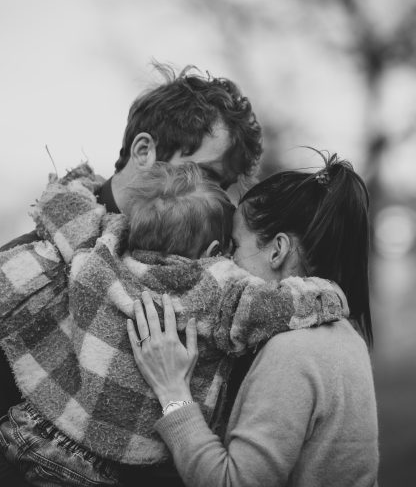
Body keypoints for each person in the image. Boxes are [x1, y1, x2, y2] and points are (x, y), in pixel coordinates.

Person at [0, 160, 348, 486]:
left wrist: (80, 180)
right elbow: (281, 306)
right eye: (229, 247)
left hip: (27, 425)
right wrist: (329, 293)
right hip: (90, 469)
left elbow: (65, 211)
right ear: (214, 251)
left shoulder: (102, 249)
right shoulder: (212, 289)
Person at [0, 63, 262, 486]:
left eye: (226, 186)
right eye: (208, 175)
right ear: (144, 151)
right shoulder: (29, 266)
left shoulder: (223, 281)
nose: (220, 201)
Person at [130, 153, 379, 487]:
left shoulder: (292, 351)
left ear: (277, 250)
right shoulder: (341, 332)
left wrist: (172, 391)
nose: (222, 261)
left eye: (234, 246)